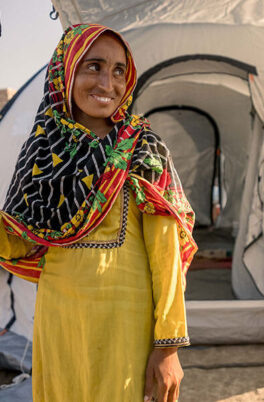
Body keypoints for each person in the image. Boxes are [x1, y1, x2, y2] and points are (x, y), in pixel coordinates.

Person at [0, 24, 197, 401]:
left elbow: (166, 255)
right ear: (65, 71)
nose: (108, 83)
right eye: (93, 66)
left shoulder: (142, 149)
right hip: (59, 321)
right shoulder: (41, 151)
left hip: (125, 322)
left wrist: (168, 346)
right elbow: (17, 242)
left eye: (119, 70)